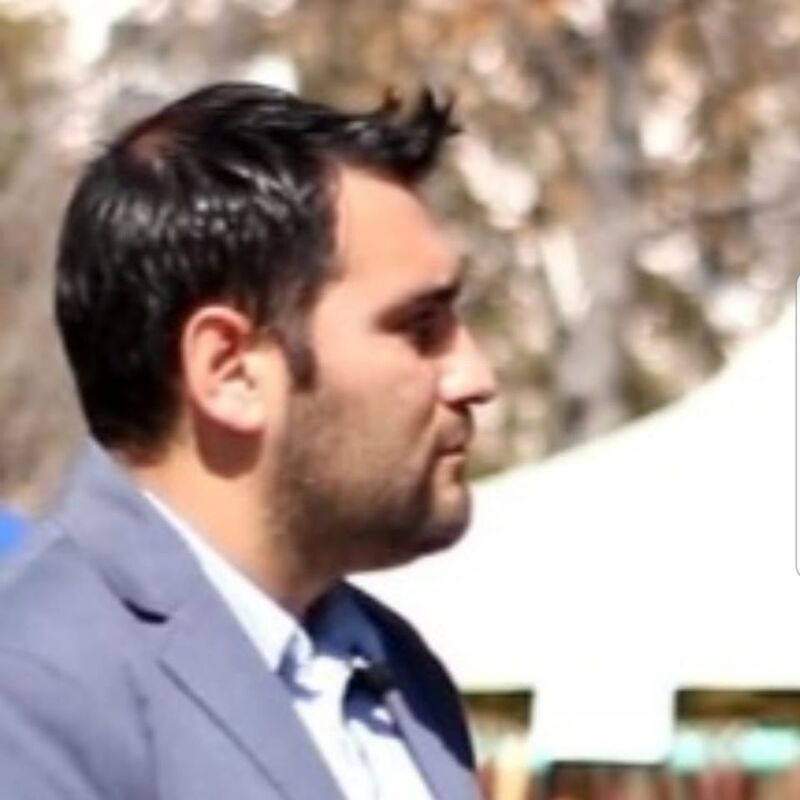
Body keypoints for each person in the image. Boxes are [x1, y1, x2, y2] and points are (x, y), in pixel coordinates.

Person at [0, 82, 497, 799]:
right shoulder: (32, 685)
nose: (475, 377)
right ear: (229, 370)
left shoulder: (399, 674)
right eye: (420, 328)